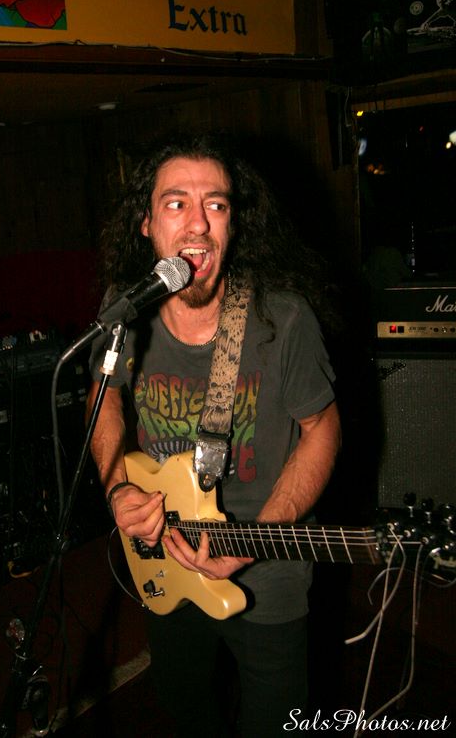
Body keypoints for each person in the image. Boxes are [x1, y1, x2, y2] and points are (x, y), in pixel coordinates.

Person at [87, 133, 341, 737]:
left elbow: (322, 428)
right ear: (147, 224)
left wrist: (259, 539)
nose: (198, 224)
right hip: (164, 554)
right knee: (182, 705)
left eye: (216, 205)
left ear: (233, 223)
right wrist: (117, 487)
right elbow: (105, 400)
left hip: (267, 571)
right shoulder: (123, 311)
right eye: (176, 203)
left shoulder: (282, 319)